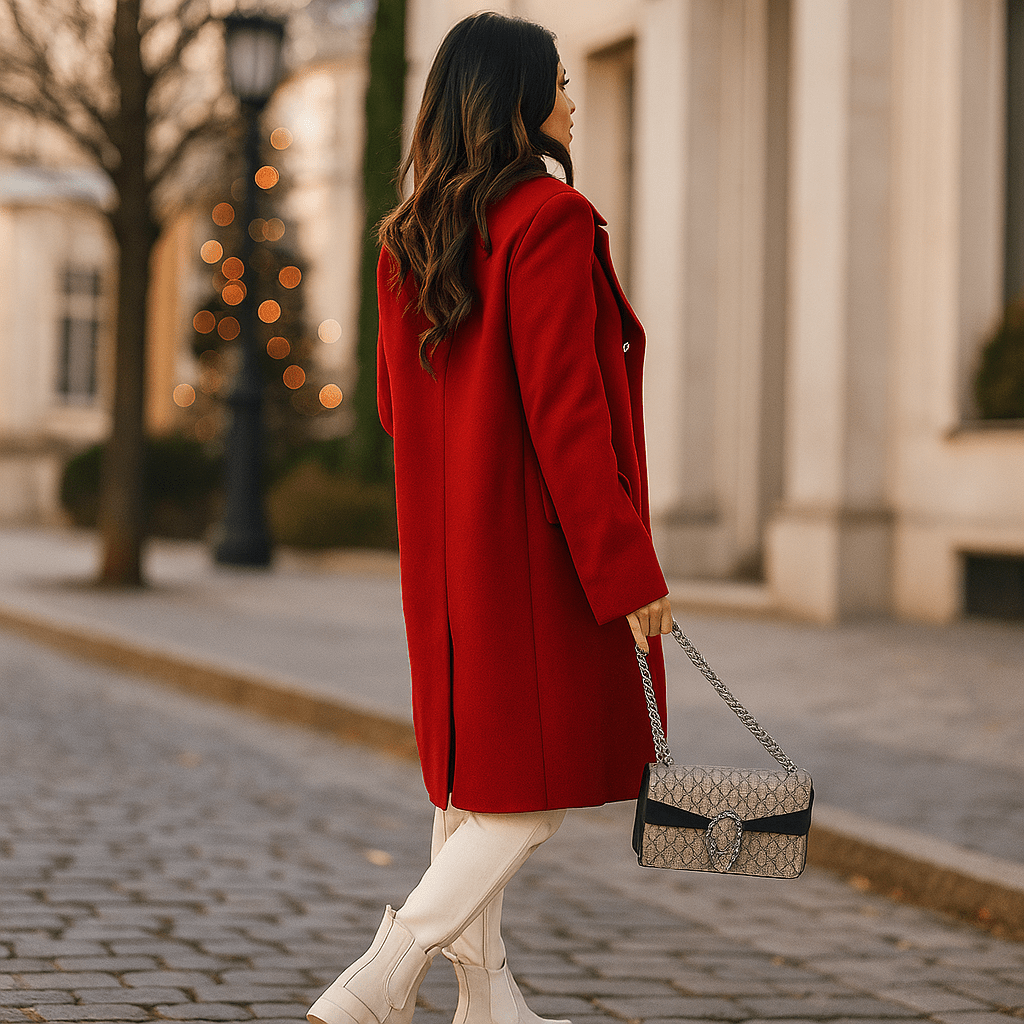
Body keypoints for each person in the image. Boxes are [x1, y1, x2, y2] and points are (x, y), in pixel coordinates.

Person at [308, 13, 672, 1024]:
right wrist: (627, 568)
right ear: (516, 99)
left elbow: (393, 407)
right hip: (537, 558)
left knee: (475, 789)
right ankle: (381, 977)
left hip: (448, 555)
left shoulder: (407, 240)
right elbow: (568, 415)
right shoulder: (549, 219)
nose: (572, 99)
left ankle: (489, 1001)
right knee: (530, 800)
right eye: (560, 81)